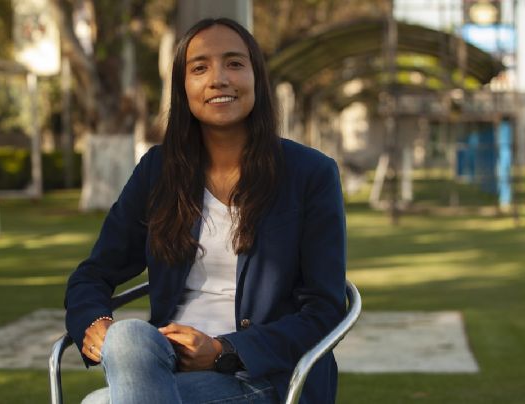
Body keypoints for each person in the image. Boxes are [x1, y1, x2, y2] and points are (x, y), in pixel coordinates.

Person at [65, 17, 347, 404]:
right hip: (164, 363)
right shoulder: (158, 171)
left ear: (256, 78)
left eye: (234, 63)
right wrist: (95, 323)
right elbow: (93, 275)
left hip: (263, 378)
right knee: (128, 336)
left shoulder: (310, 173)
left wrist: (224, 350)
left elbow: (324, 309)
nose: (218, 79)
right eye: (199, 68)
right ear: (183, 88)